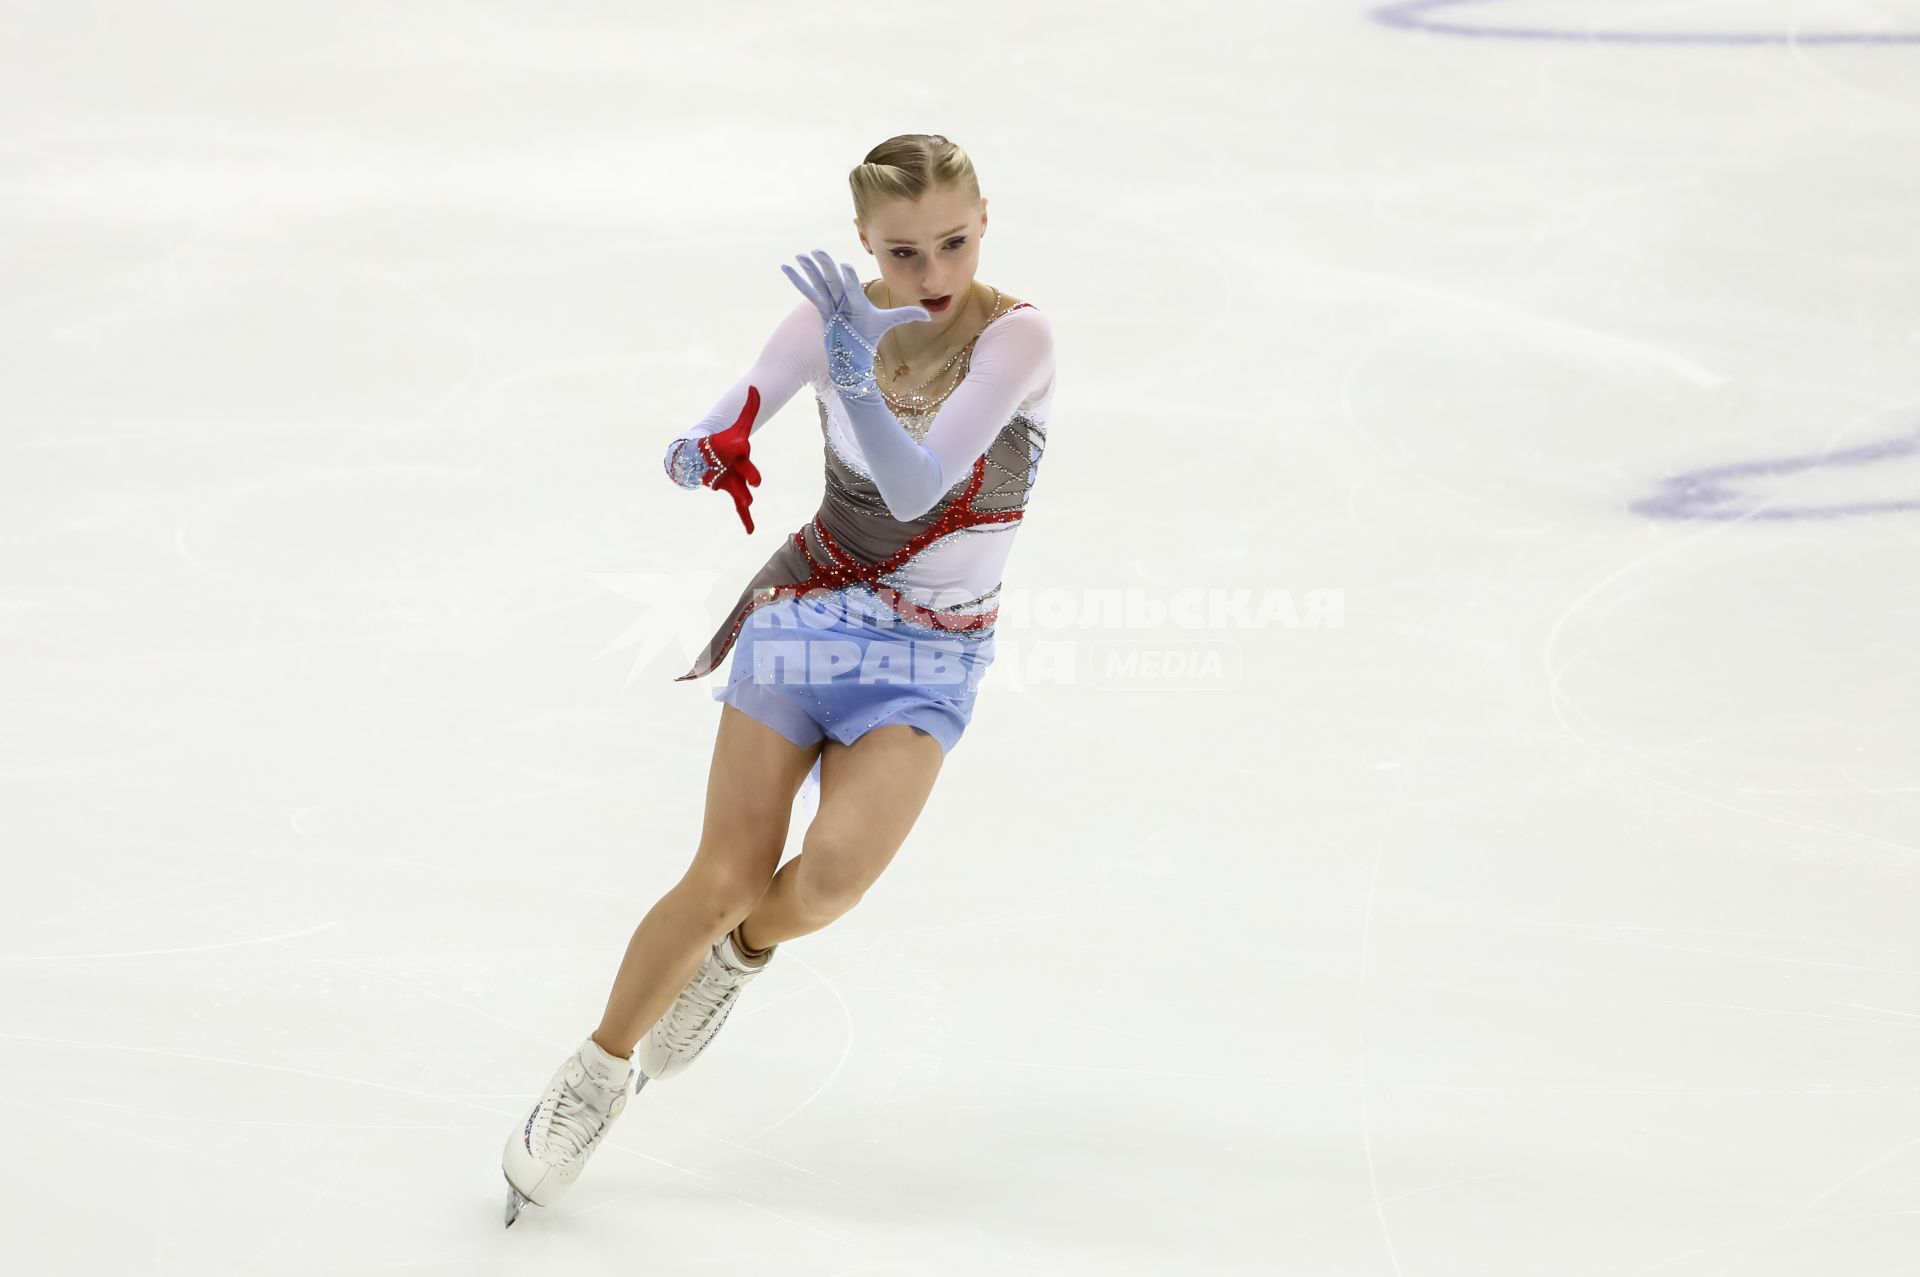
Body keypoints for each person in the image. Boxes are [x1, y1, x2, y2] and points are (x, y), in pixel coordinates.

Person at [501, 133, 1057, 1225]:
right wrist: (707, 440)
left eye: (950, 242)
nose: (930, 273)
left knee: (836, 875)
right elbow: (743, 396)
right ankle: (598, 1071)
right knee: (722, 870)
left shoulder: (1018, 339)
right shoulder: (825, 315)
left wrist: (853, 371)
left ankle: (741, 953)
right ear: (864, 243)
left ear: (983, 220)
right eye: (902, 253)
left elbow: (920, 485)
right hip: (808, 615)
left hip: (931, 651)